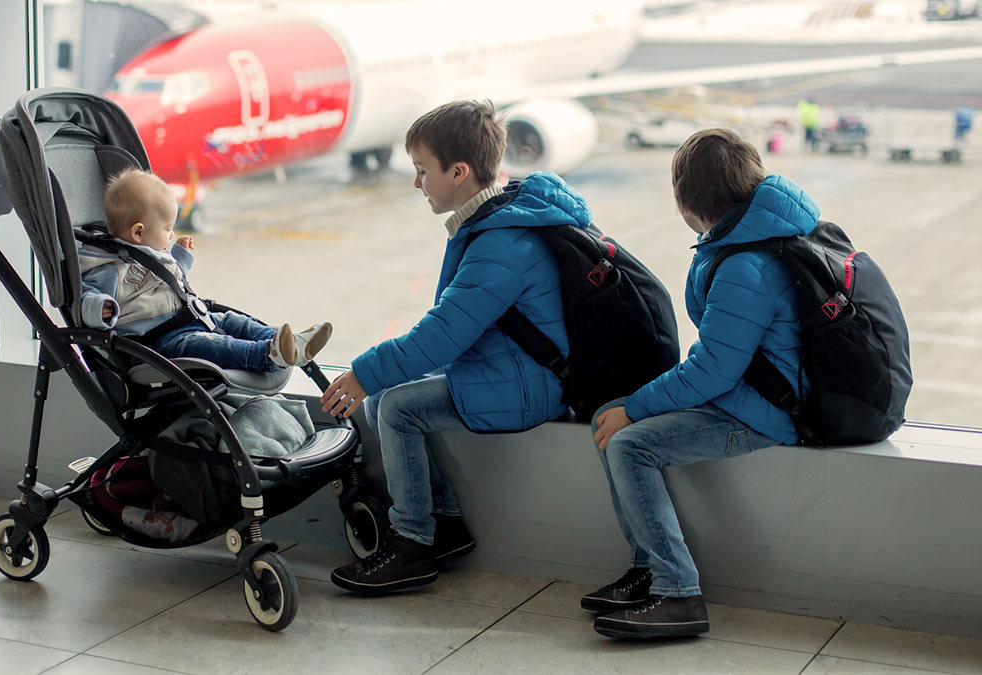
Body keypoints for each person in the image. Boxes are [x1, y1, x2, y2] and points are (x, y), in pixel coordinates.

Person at [320, 100, 589, 594]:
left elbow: (443, 335)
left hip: (528, 386)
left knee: (396, 407)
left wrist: (362, 372)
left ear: (459, 172)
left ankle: (413, 545)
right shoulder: (500, 217)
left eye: (423, 171)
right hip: (519, 369)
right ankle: (441, 526)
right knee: (386, 397)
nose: (417, 183)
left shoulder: (499, 246)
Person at [583, 128, 816, 639]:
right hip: (753, 397)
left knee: (628, 444)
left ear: (689, 198)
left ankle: (677, 592)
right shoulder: (756, 236)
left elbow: (713, 370)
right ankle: (647, 568)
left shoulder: (745, 264)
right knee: (611, 417)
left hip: (764, 414)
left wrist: (639, 409)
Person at [79, 169, 332, 372]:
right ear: (138, 232)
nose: (171, 234)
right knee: (216, 345)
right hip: (161, 342)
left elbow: (166, 283)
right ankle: (266, 354)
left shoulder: (150, 254)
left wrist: (179, 258)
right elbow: (86, 297)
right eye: (167, 229)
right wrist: (100, 307)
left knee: (235, 322)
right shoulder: (109, 267)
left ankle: (288, 342)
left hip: (192, 317)